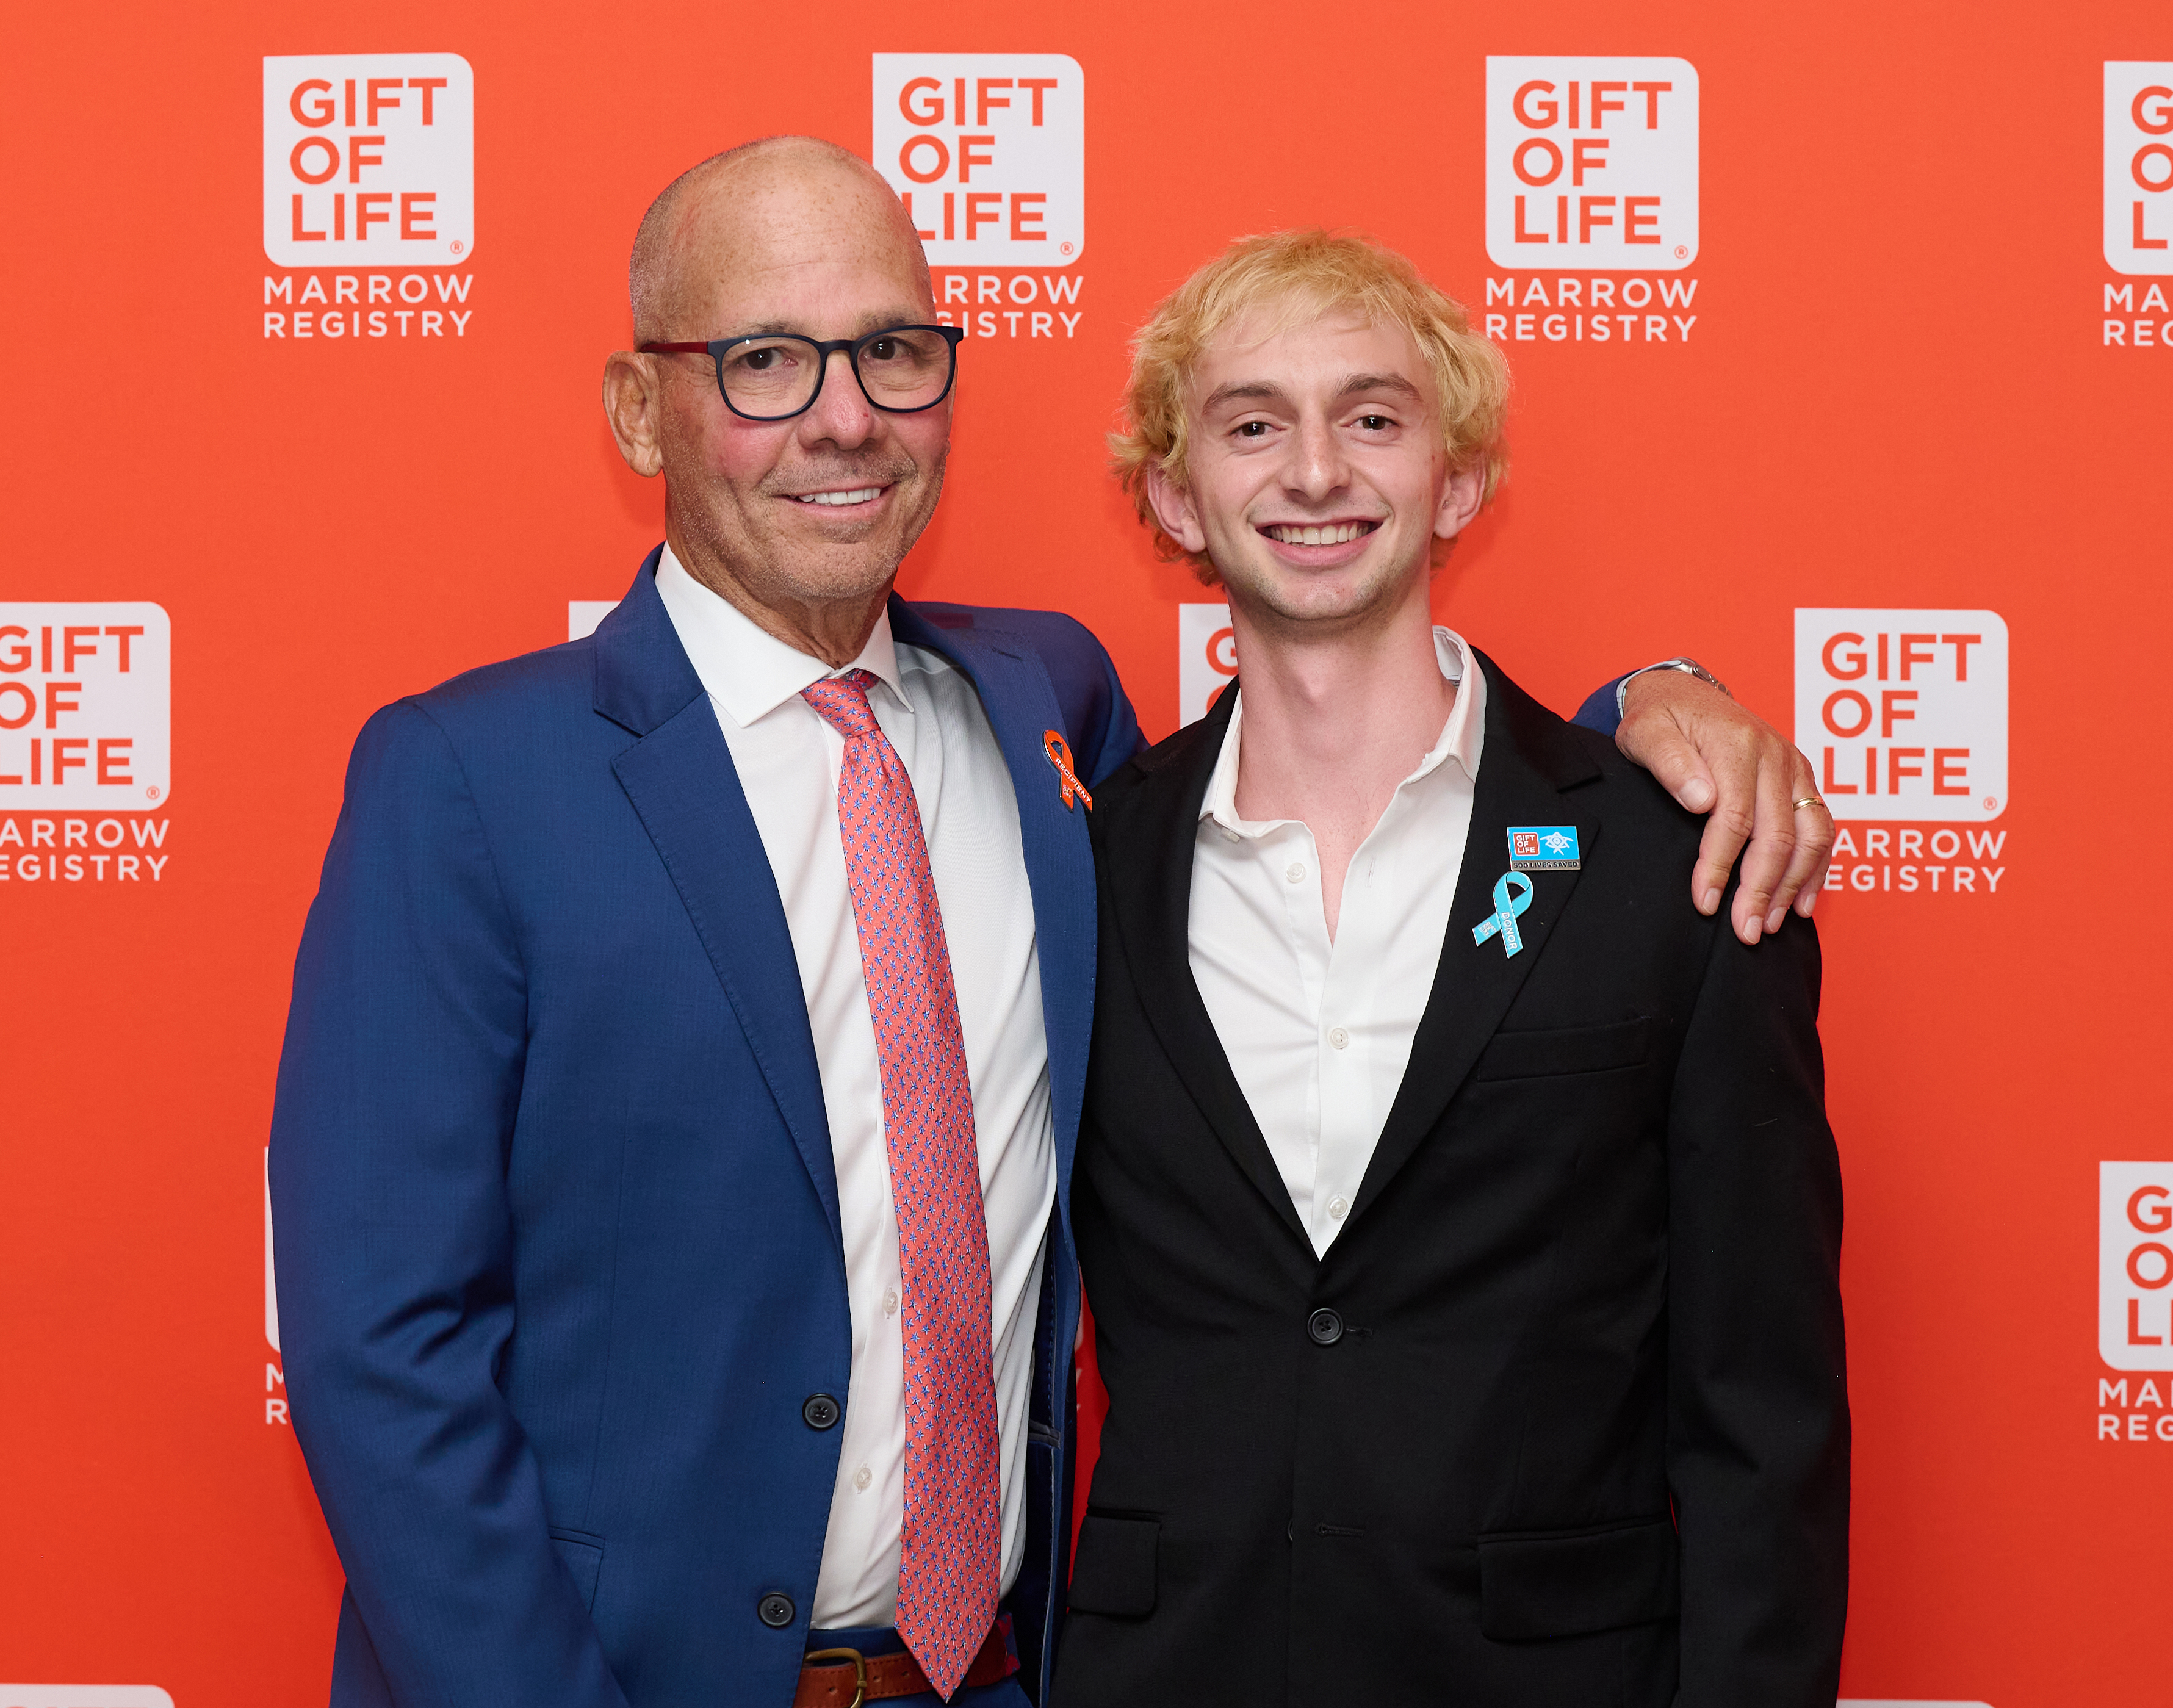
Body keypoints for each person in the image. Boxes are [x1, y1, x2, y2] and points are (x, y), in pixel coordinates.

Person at [268, 140, 1833, 1708]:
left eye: (891, 352)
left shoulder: (1045, 723)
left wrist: (1653, 704)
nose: (842, 416)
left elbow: (1390, 775)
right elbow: (382, 1348)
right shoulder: (466, 778)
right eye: (762, 362)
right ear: (637, 408)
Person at [1053, 229, 1849, 1707]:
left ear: (1458, 479)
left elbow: (1763, 1415)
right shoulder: (1083, 871)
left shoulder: (1672, 864)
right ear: (1175, 494)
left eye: (1371, 416)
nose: (1312, 471)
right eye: (1250, 423)